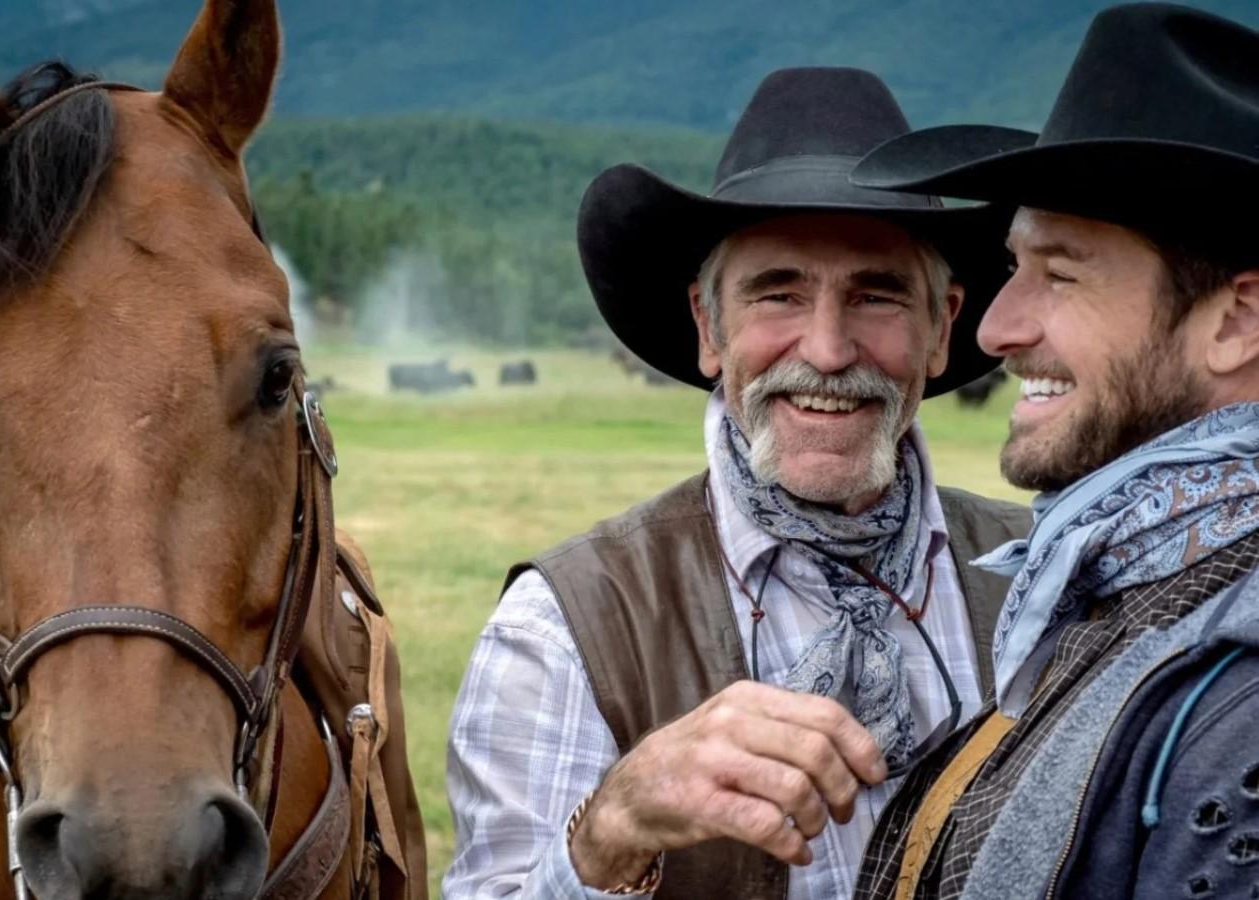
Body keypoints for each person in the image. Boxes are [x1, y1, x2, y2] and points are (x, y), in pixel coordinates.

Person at [843, 4, 1259, 898]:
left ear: (1238, 322)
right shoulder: (1133, 596)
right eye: (1014, 266)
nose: (999, 327)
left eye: (1061, 271)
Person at [440, 67, 1036, 899]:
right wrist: (616, 827)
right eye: (777, 292)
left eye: (875, 296)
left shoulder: (1048, 584)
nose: (826, 350)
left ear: (940, 330)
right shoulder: (564, 626)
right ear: (707, 326)